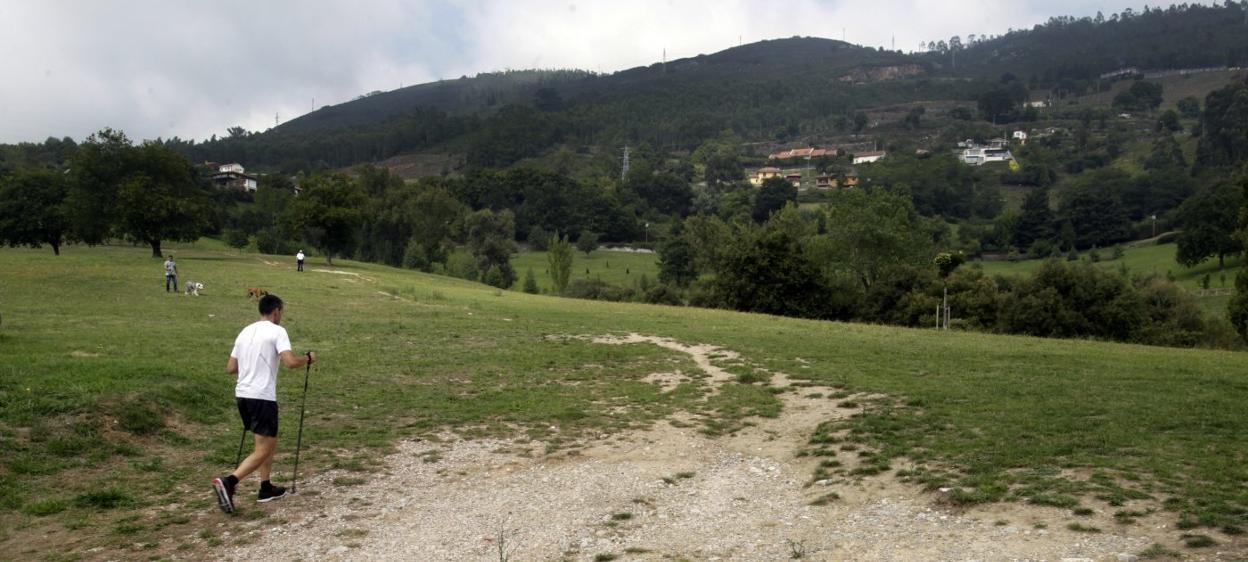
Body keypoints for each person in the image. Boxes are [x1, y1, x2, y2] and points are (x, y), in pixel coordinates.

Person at [212, 294, 317, 514]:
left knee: (264, 443)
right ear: (276, 311)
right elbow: (289, 362)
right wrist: (307, 359)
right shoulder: (278, 331)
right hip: (262, 396)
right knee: (265, 447)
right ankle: (229, 482)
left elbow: (231, 368)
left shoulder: (245, 331)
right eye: (282, 311)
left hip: (243, 394)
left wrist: (251, 365)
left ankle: (265, 487)